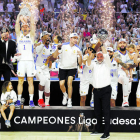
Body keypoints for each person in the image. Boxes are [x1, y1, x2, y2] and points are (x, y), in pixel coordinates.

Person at [87, 46, 112, 139]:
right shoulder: (94, 63)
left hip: (105, 90)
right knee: (97, 111)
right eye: (98, 57)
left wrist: (102, 45)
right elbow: (88, 64)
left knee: (106, 111)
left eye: (101, 56)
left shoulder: (107, 63)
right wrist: (90, 55)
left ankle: (107, 133)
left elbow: (105, 54)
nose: (100, 58)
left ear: (104, 57)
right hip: (96, 91)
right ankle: (99, 129)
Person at [15, 13, 36, 108]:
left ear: (28, 28)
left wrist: (29, 14)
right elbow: (16, 25)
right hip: (22, 61)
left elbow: (32, 24)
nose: (24, 27)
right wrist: (20, 14)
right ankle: (19, 100)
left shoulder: (31, 36)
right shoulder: (19, 36)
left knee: (30, 81)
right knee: (20, 81)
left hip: (30, 61)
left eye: (26, 26)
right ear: (21, 28)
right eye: (23, 26)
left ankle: (31, 101)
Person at [35, 31, 59, 107]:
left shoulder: (51, 46)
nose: (48, 37)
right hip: (38, 67)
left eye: (48, 36)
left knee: (48, 85)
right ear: (42, 38)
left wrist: (54, 57)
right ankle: (40, 100)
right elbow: (38, 51)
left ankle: (47, 102)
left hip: (46, 68)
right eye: (46, 36)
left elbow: (54, 58)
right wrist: (43, 42)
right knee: (42, 80)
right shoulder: (39, 45)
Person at [59, 33, 82, 108]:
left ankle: (69, 100)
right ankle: (65, 95)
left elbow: (80, 63)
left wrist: (80, 55)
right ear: (70, 38)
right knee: (61, 84)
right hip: (62, 68)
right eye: (74, 38)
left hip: (72, 68)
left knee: (69, 83)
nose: (76, 40)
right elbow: (57, 53)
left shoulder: (78, 48)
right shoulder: (63, 46)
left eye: (76, 38)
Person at [114, 38, 132, 107]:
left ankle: (124, 103)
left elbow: (133, 64)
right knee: (125, 79)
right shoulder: (116, 53)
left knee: (129, 89)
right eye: (120, 43)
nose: (122, 44)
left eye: (123, 43)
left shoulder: (129, 53)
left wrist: (127, 65)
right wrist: (127, 64)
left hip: (128, 72)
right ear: (118, 44)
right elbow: (122, 64)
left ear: (126, 44)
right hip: (118, 72)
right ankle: (125, 101)